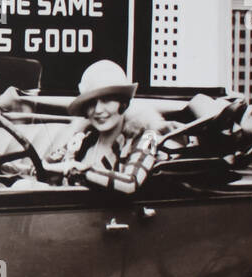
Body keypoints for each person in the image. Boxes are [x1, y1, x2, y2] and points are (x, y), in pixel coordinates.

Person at [44, 59, 164, 194]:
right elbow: (45, 166)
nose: (98, 110)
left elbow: (131, 183)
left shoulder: (148, 138)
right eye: (91, 103)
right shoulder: (84, 137)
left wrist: (76, 170)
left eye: (106, 100)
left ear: (123, 103)